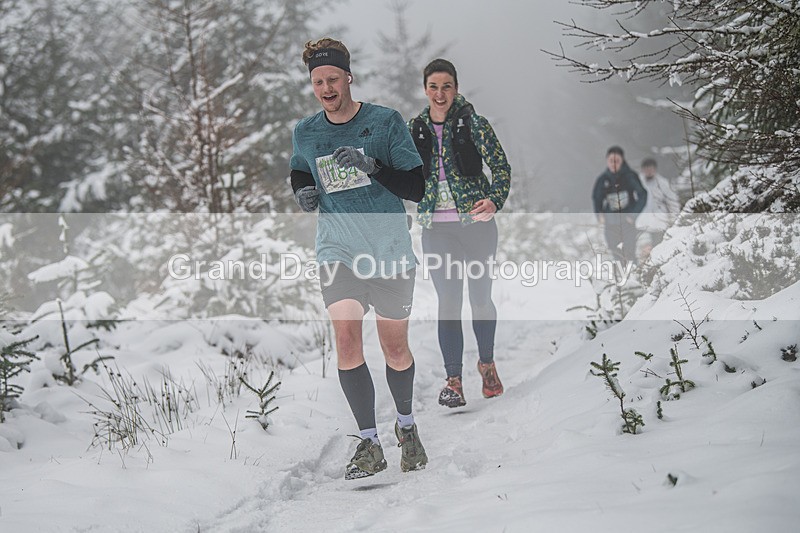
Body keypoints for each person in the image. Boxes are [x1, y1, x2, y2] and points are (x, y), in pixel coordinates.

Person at [289, 38, 428, 480]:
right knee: (347, 342)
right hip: (338, 251)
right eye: (318, 82)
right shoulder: (306, 132)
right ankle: (369, 442)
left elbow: (416, 187)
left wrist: (372, 166)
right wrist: (302, 192)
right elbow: (299, 169)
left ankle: (406, 427)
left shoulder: (385, 122)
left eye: (333, 78)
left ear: (348, 77)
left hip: (389, 253)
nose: (326, 88)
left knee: (395, 348)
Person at [409, 59, 511, 409]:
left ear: (456, 87)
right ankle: (453, 380)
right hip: (437, 230)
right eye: (434, 87)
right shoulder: (415, 129)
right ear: (425, 89)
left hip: (477, 228)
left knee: (480, 299)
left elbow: (500, 166)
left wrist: (494, 201)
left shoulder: (474, 124)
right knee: (449, 303)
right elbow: (401, 173)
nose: (440, 94)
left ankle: (486, 363)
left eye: (447, 86)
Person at [591, 146, 647, 266]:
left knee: (629, 252)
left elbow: (642, 194)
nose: (614, 164)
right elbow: (597, 198)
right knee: (615, 252)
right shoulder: (603, 179)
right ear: (607, 161)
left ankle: (634, 277)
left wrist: (633, 215)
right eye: (611, 161)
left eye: (617, 161)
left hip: (627, 221)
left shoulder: (630, 176)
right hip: (610, 222)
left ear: (622, 161)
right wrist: (599, 214)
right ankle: (621, 280)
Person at [635, 158, 681, 262]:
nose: (649, 171)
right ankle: (642, 268)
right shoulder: (637, 183)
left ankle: (656, 266)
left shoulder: (663, 183)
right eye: (646, 168)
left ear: (655, 169)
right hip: (642, 221)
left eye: (651, 168)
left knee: (658, 247)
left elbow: (673, 201)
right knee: (642, 248)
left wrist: (674, 218)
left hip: (659, 221)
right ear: (642, 170)